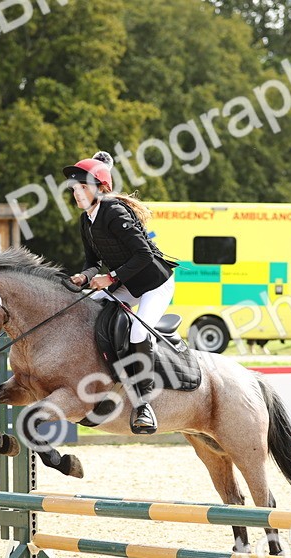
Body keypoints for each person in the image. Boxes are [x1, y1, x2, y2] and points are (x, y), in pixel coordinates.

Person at [65, 151, 179, 434]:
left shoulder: (114, 212)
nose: (77, 193)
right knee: (85, 312)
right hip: (126, 283)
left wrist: (110, 277)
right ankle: (103, 383)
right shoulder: (86, 221)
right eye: (75, 189)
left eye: (83, 187)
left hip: (154, 284)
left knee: (138, 333)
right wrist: (85, 276)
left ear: (100, 188)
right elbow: (92, 263)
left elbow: (143, 255)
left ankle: (144, 405)